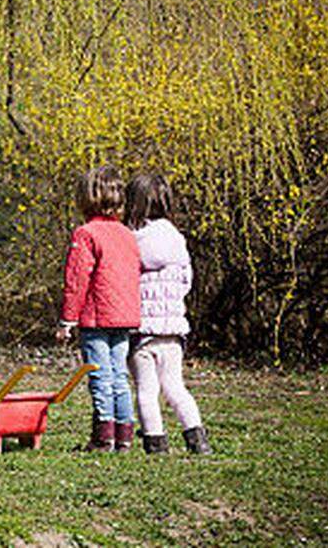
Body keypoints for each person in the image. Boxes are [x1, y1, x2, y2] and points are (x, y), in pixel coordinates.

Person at [124, 174, 212, 454]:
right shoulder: (177, 239)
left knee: (147, 391)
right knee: (175, 387)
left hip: (142, 332)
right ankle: (197, 438)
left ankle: (156, 442)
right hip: (173, 329)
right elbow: (186, 281)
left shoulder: (131, 241)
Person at [55, 165, 141, 452]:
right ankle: (124, 434)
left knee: (99, 375)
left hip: (96, 317)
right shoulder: (127, 234)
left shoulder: (86, 234)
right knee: (119, 375)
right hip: (124, 317)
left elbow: (77, 279)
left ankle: (104, 434)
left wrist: (68, 319)